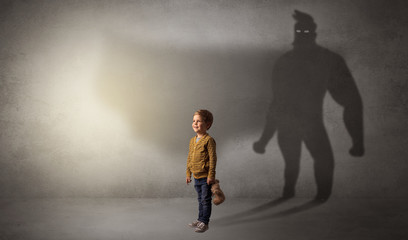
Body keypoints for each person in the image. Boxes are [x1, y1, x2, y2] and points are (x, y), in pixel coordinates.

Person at [253, 10, 364, 202]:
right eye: (301, 32)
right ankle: (302, 194)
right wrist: (357, 141)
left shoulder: (289, 62)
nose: (302, 35)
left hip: (297, 124)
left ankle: (297, 194)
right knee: (306, 162)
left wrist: (264, 140)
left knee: (300, 162)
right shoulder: (323, 60)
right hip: (304, 123)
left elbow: (276, 105)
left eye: (304, 32)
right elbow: (277, 104)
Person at [186, 109, 217, 233]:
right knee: (200, 199)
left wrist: (211, 175)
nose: (195, 123)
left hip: (205, 177)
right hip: (196, 176)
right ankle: (200, 219)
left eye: (198, 121)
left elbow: (213, 159)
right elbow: (189, 157)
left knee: (205, 200)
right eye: (194, 121)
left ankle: (205, 222)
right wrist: (188, 174)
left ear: (207, 124)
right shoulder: (192, 141)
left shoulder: (209, 140)